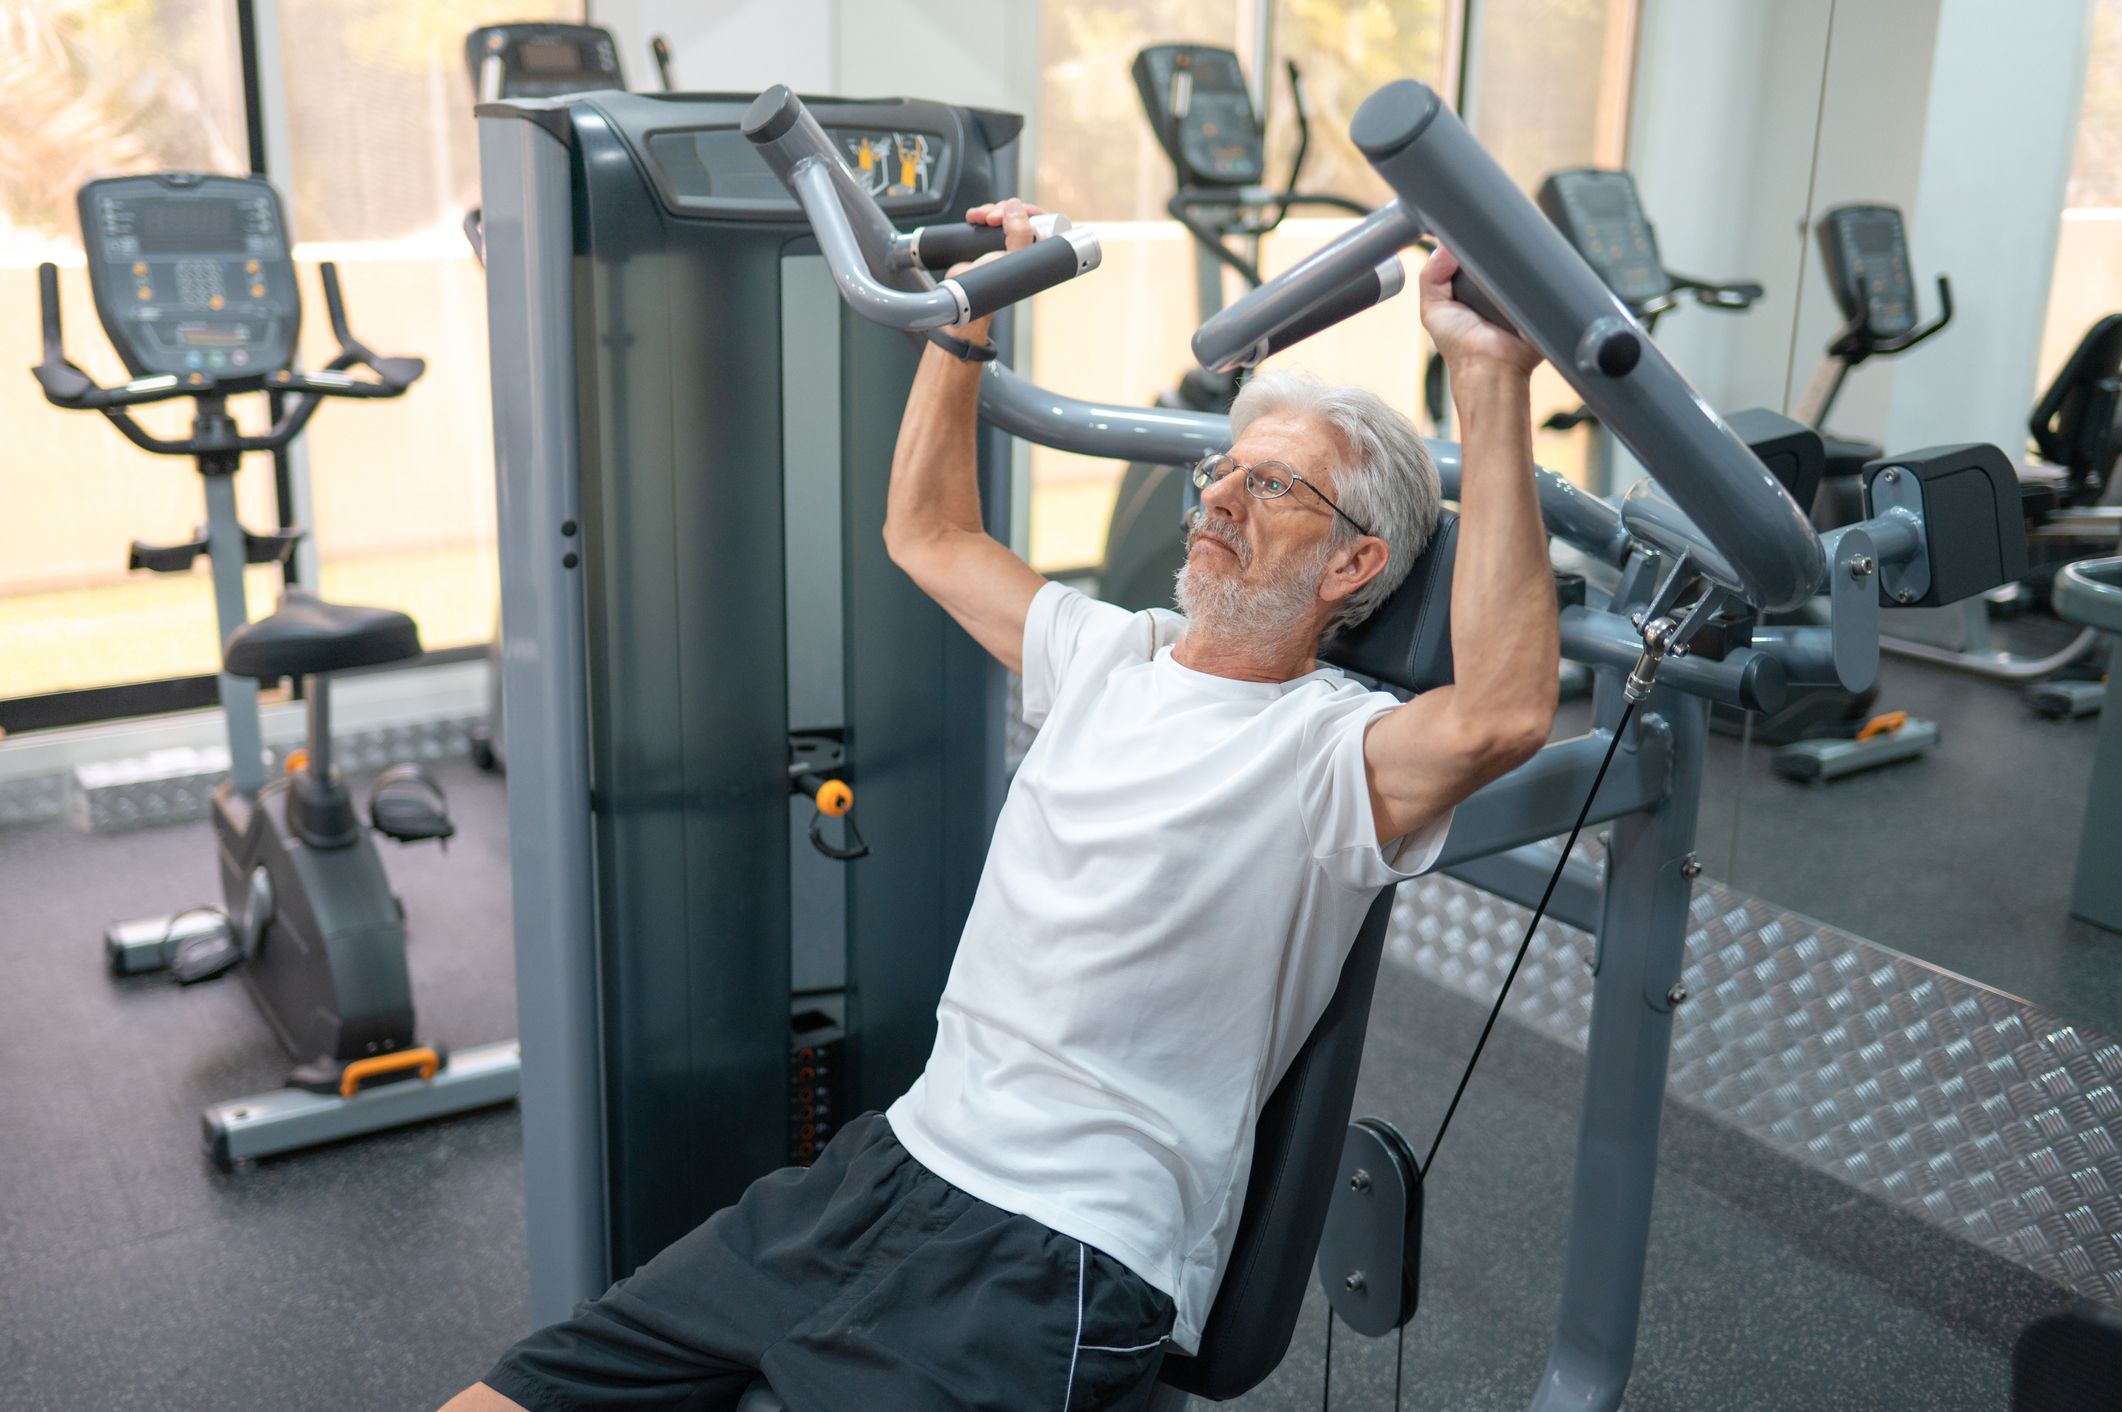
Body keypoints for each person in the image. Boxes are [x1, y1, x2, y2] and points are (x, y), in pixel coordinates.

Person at [447, 199, 1558, 1412]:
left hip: (1059, 1252)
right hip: (883, 1166)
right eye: (1222, 471)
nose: (1221, 499)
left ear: (1352, 562)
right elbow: (925, 531)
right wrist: (967, 319)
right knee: (511, 1394)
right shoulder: (1112, 652)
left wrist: (1487, 374)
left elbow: (1502, 712)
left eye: (1274, 484)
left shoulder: (1329, 749)